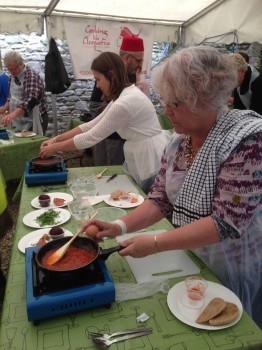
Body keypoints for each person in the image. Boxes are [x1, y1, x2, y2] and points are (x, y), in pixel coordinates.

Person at [82, 46, 262, 328]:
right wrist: (119, 226)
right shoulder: (180, 141)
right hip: (193, 250)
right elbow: (160, 199)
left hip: (233, 260)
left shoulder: (246, 140)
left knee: (229, 322)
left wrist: (155, 243)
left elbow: (226, 223)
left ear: (204, 99)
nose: (165, 111)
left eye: (175, 103)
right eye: (165, 101)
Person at [40, 52, 169, 193]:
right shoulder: (123, 95)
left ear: (111, 75)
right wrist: (54, 140)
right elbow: (91, 125)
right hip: (142, 151)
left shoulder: (124, 103)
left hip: (149, 156)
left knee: (146, 198)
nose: (98, 85)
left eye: (98, 79)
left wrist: (54, 148)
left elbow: (90, 138)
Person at [89, 36, 149, 166]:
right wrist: (112, 112)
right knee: (108, 173)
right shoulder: (109, 75)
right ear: (127, 58)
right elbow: (94, 106)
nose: (140, 65)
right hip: (110, 139)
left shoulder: (135, 75)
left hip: (128, 139)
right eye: (138, 60)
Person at [0, 50, 48, 135]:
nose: (11, 72)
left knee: (33, 146)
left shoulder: (31, 77)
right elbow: (11, 97)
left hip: (34, 120)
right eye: (9, 69)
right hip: (19, 120)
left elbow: (29, 102)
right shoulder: (12, 77)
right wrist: (4, 109)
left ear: (21, 64)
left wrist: (12, 115)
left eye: (13, 69)